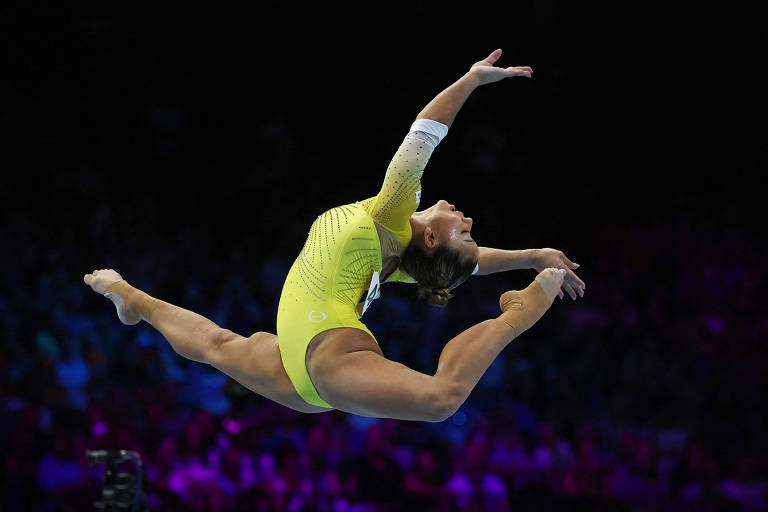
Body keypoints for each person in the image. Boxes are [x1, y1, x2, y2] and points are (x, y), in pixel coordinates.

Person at [84, 49, 586, 422]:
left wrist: (470, 81)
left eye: (464, 232)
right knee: (216, 343)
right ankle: (131, 298)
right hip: (300, 377)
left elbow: (422, 138)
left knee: (440, 400)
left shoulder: (392, 215)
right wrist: (535, 252)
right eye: (472, 231)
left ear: (432, 238)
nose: (470, 222)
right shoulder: (397, 263)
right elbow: (472, 264)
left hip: (329, 356)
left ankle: (519, 314)